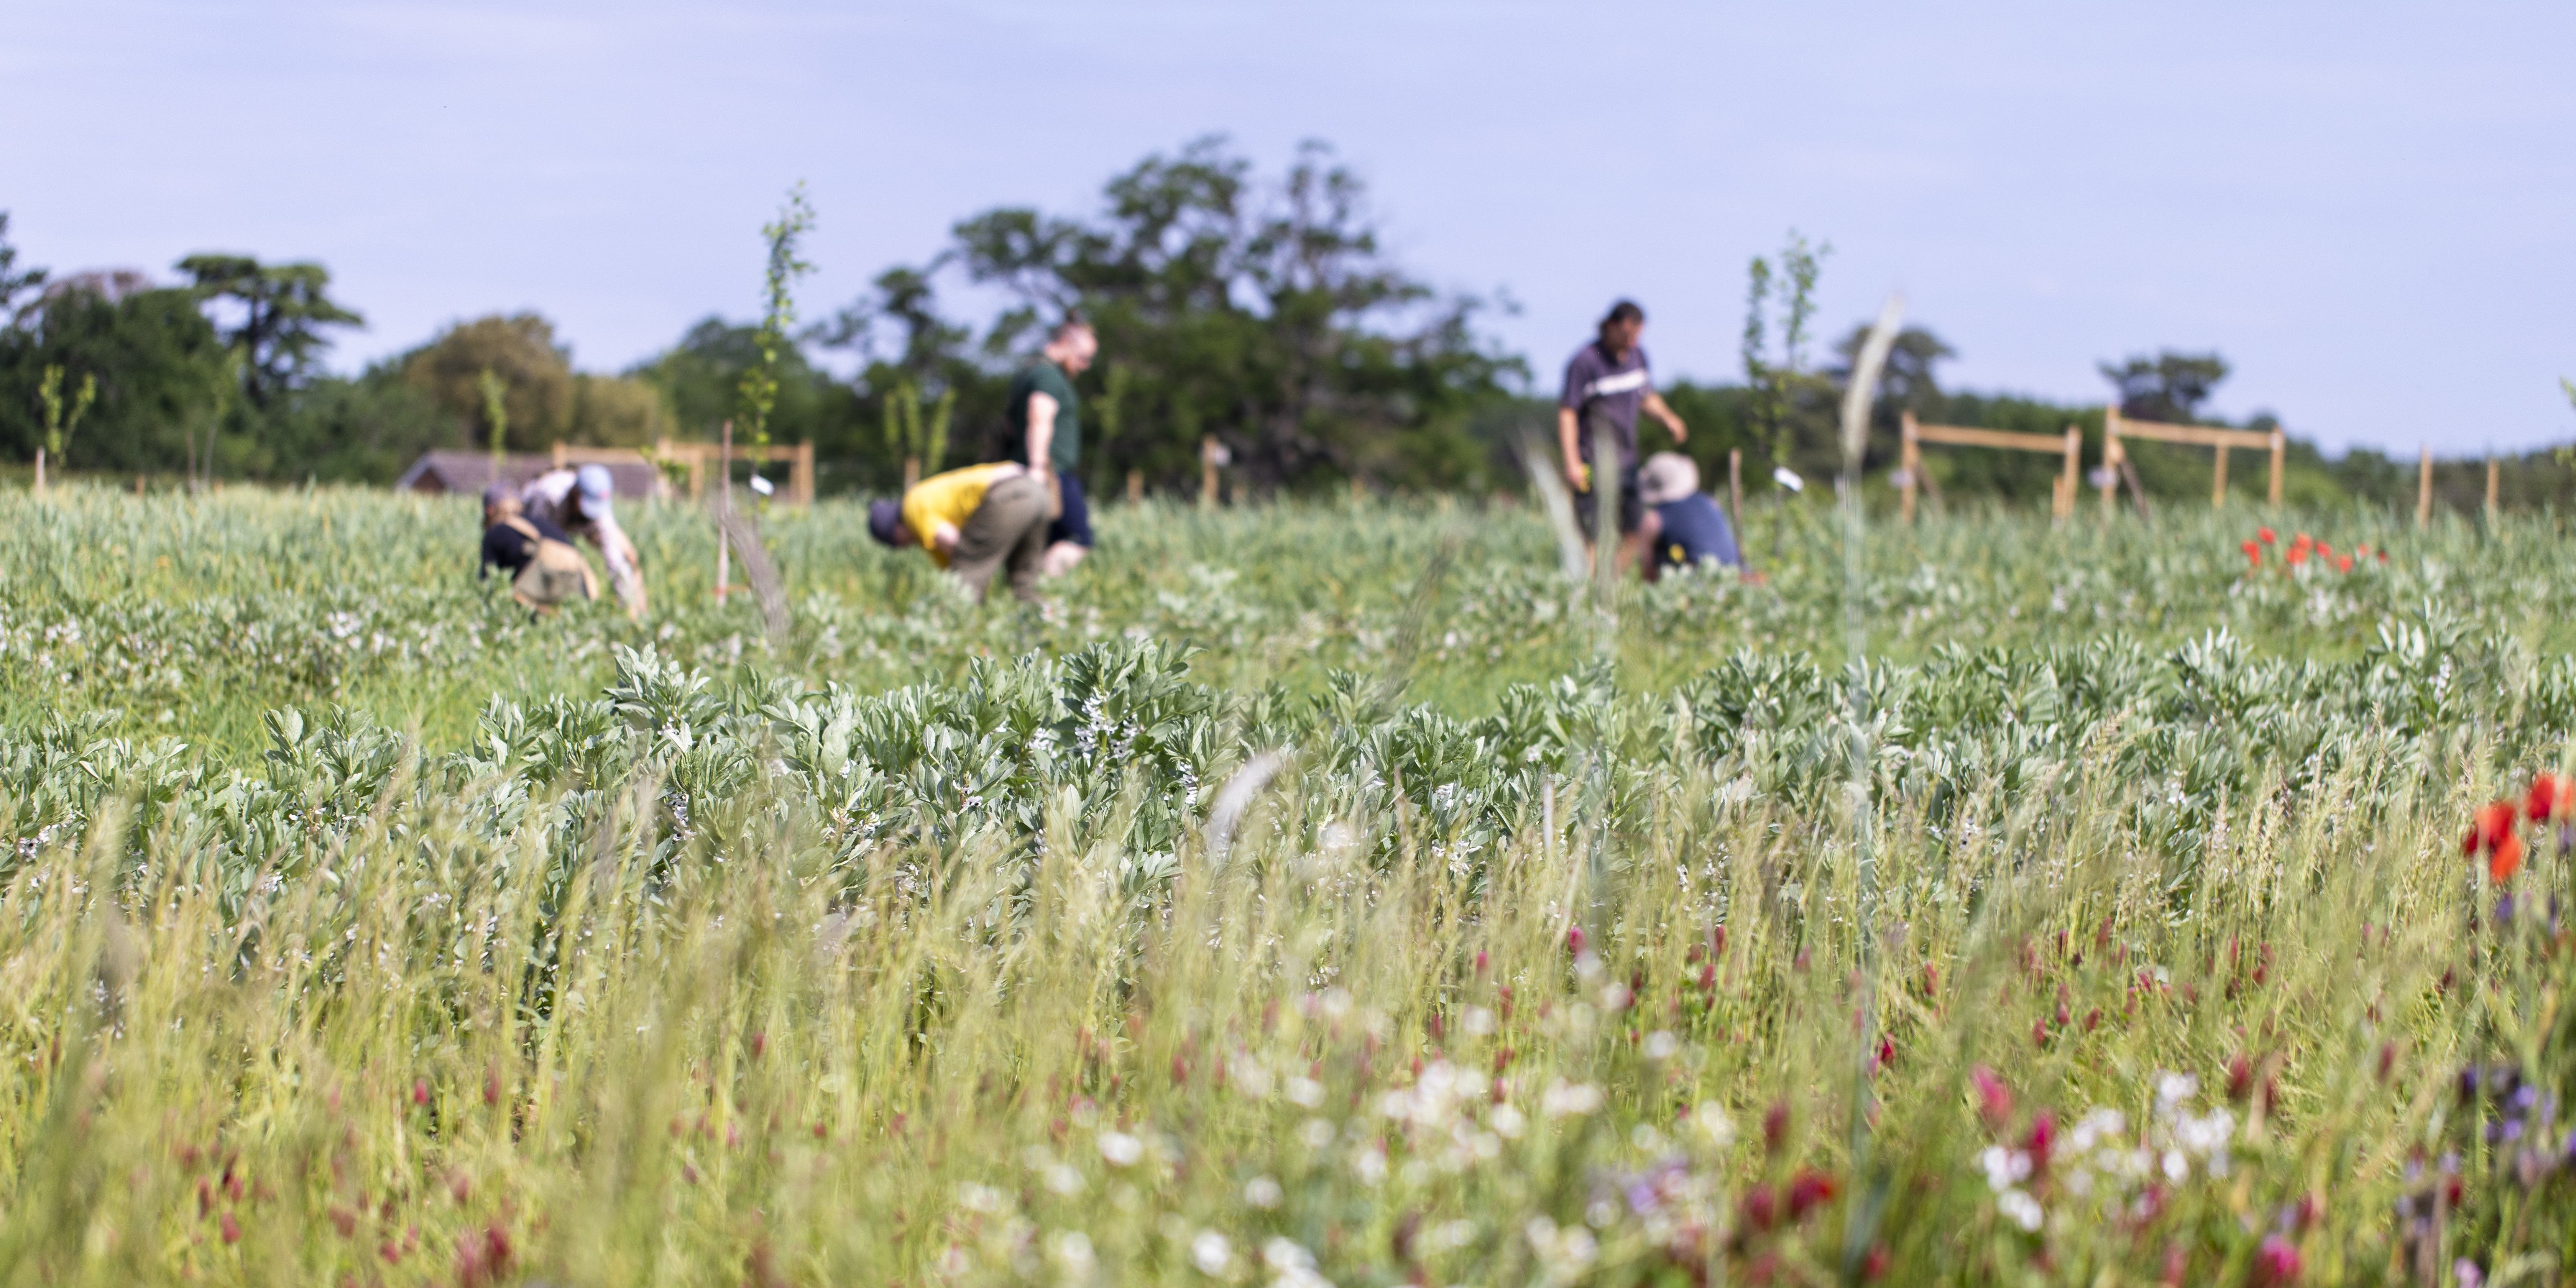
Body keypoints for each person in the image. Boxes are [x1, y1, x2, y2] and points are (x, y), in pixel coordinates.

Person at [1558, 300, 1688, 572]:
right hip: (1590, 463)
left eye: (1637, 335)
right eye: (1627, 335)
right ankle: (1589, 585)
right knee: (1592, 531)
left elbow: (1646, 396)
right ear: (1611, 326)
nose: (1632, 342)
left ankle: (1613, 579)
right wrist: (1572, 462)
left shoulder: (1637, 356)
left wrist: (1668, 419)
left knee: (1633, 531)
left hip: (1627, 460)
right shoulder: (1585, 362)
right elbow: (1568, 412)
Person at [867, 461, 1050, 603]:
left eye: (894, 542)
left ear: (895, 529)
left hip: (1008, 495)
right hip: (1036, 491)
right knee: (1025, 582)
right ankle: (1041, 627)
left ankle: (962, 636)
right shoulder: (920, 494)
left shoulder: (911, 509)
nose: (901, 547)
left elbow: (955, 544)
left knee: (965, 578)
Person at [1003, 316, 1098, 577]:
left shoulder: (1028, 372)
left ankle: (1031, 589)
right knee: (1079, 539)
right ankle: (1045, 586)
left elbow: (1010, 426)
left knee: (1045, 540)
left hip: (1033, 469)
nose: (1086, 366)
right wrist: (1038, 467)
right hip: (1052, 473)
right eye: (1083, 357)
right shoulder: (1048, 376)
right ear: (1066, 342)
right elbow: (1039, 414)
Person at [522, 463, 646, 619]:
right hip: (532, 518)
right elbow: (534, 536)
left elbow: (615, 562)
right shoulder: (551, 495)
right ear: (576, 494)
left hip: (567, 523)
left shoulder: (601, 513)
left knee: (629, 555)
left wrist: (628, 606)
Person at [479, 484, 599, 611]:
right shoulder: (539, 522)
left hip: (545, 594)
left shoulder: (495, 534)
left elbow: (488, 585)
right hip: (579, 587)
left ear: (489, 511)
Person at [1636, 452, 1742, 580]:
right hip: (1735, 574)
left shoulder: (1653, 520)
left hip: (1697, 581)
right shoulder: (1711, 502)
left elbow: (1648, 572)